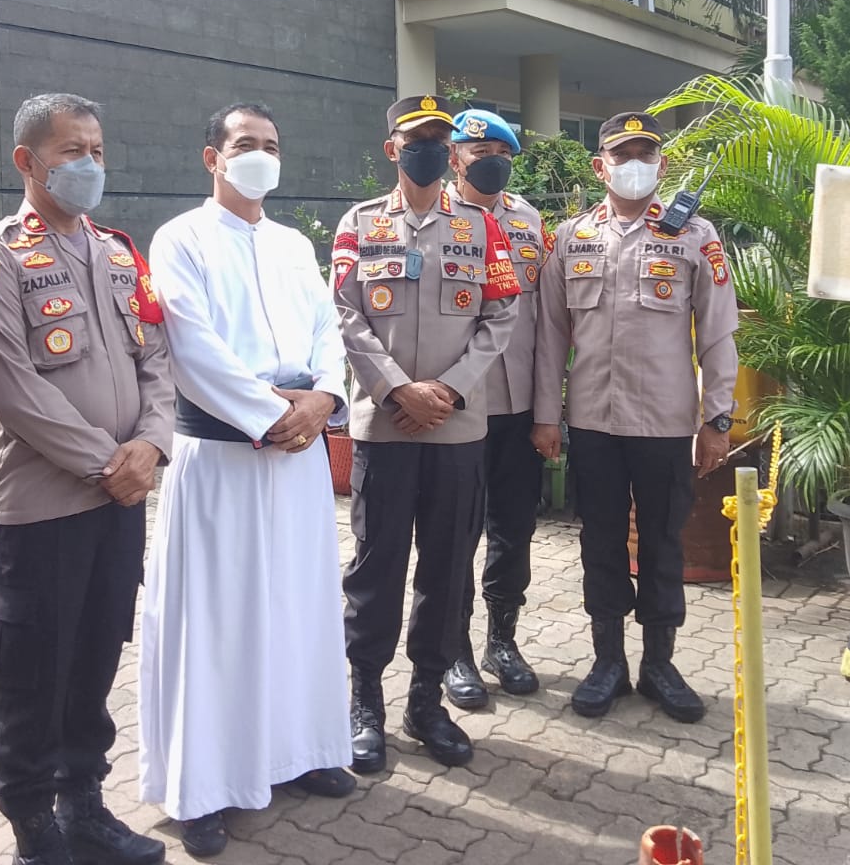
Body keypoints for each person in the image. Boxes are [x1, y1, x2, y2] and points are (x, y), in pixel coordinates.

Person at [0, 94, 173, 865]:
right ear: (28, 162)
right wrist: (107, 463)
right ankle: (32, 828)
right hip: (42, 511)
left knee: (94, 660)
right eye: (73, 150)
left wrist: (150, 446)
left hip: (120, 504)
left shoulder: (120, 253)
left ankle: (83, 806)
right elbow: (14, 389)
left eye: (98, 150)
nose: (89, 164)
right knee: (31, 675)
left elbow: (157, 362)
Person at [138, 102, 355, 858]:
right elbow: (191, 348)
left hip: (295, 457)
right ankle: (204, 787)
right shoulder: (181, 240)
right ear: (212, 158)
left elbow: (329, 331)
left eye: (270, 144)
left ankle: (301, 752)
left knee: (298, 606)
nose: (260, 155)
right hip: (224, 456)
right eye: (244, 144)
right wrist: (271, 414)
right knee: (217, 621)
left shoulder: (295, 244)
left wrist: (325, 399)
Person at [532, 111, 739, 724]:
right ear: (601, 166)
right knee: (598, 541)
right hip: (593, 421)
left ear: (662, 165)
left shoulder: (695, 237)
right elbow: (550, 336)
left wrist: (718, 418)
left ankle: (659, 664)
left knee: (662, 541)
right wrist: (548, 416)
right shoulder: (571, 238)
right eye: (622, 155)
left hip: (667, 423)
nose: (634, 165)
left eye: (645, 154)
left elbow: (720, 333)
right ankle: (607, 663)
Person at [334, 95, 521, 775]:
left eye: (442, 141)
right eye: (417, 140)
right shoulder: (359, 225)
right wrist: (396, 389)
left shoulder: (481, 227)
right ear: (392, 149)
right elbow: (345, 314)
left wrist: (448, 390)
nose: (432, 152)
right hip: (385, 429)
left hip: (455, 429)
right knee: (375, 572)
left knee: (445, 571)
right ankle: (365, 705)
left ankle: (425, 702)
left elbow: (501, 316)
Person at [439, 109, 551, 709]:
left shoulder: (530, 222)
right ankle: (454, 648)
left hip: (518, 404)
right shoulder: (436, 217)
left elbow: (547, 319)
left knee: (515, 528)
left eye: (501, 152)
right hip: (460, 404)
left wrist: (548, 409)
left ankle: (501, 641)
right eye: (477, 149)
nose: (490, 160)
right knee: (457, 529)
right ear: (454, 155)